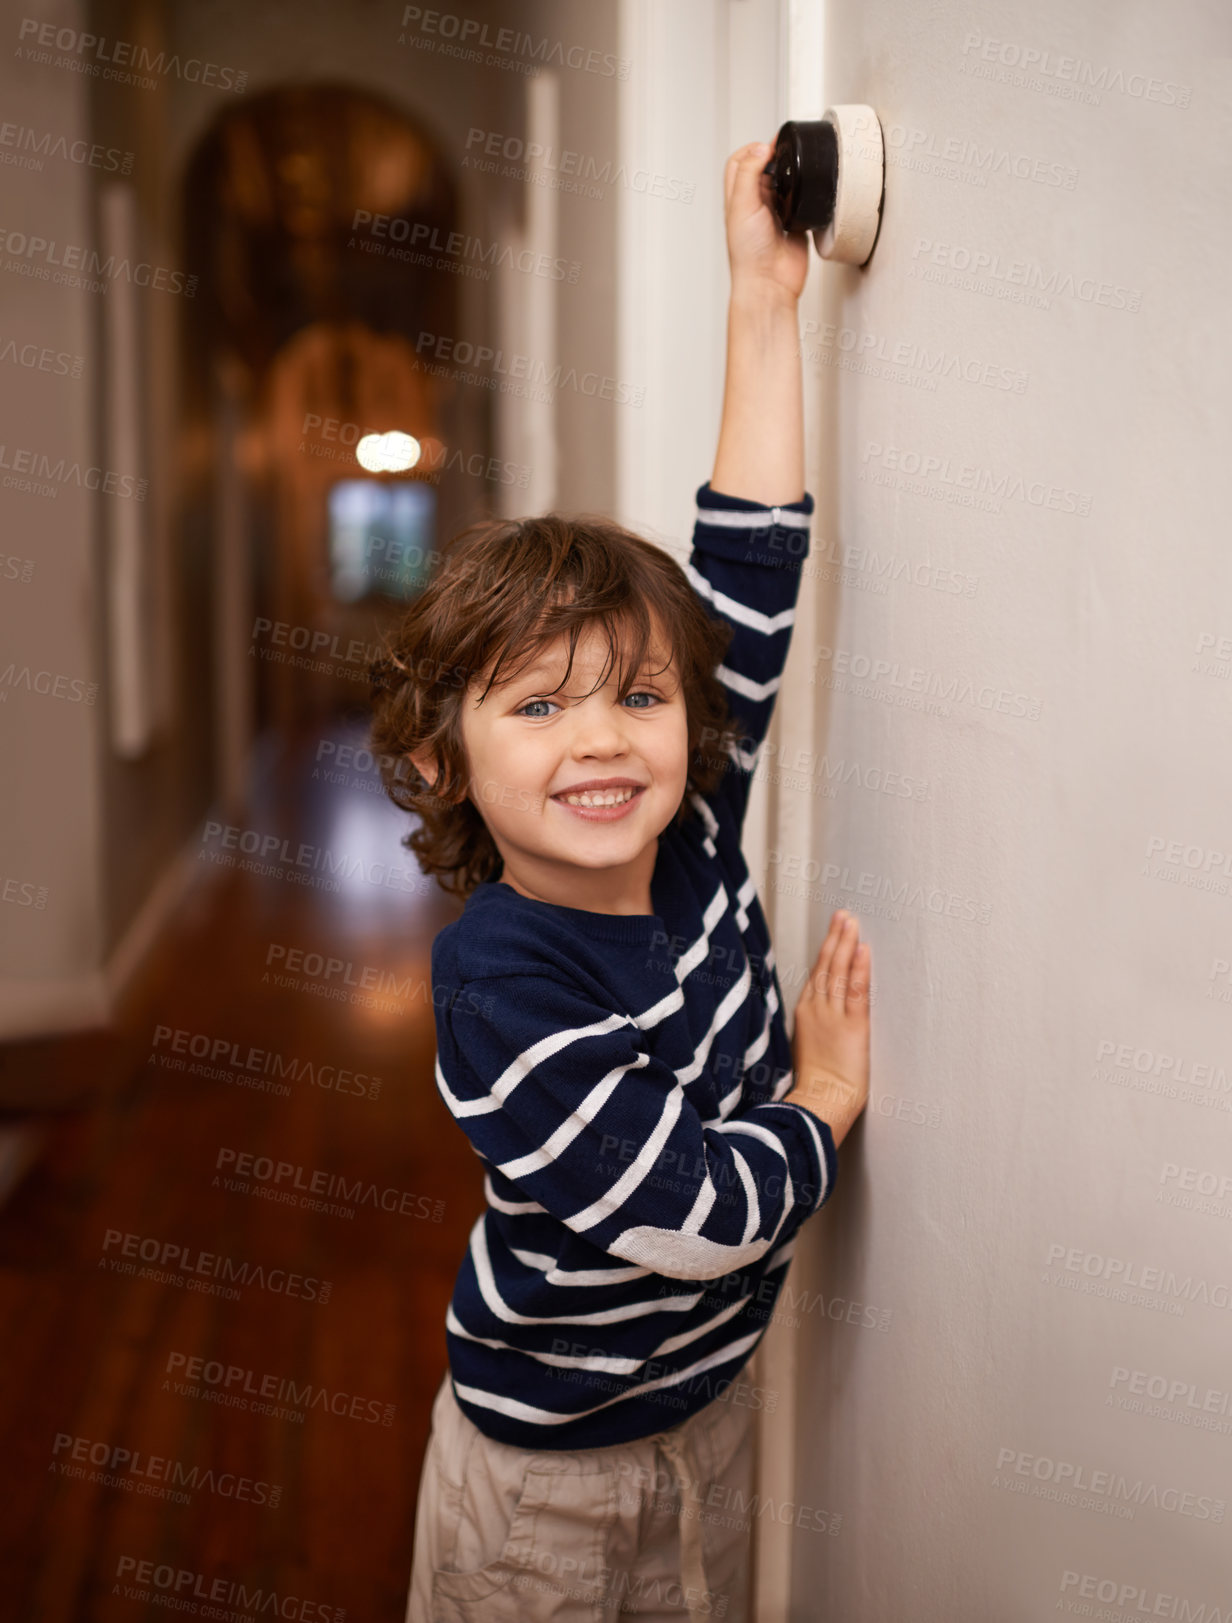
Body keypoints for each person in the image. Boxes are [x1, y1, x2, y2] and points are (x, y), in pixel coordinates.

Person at [368, 138, 872, 1623]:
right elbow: (702, 1211)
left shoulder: (699, 820)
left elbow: (751, 571)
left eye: (638, 698)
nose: (600, 741)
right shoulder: (500, 984)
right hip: (548, 1482)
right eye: (537, 708)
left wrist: (762, 298)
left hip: (703, 1417)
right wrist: (827, 1097)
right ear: (451, 764)